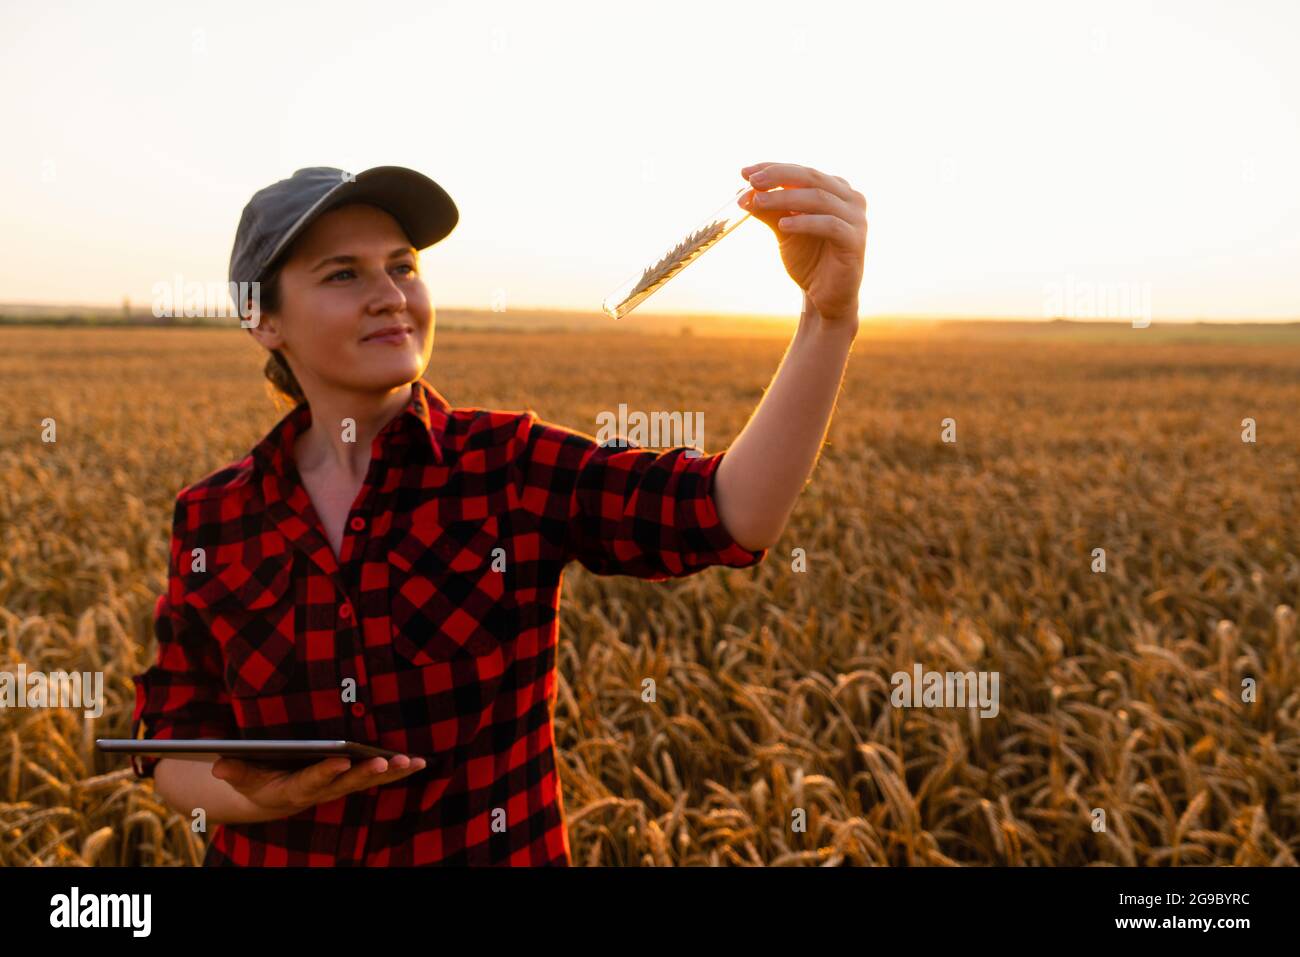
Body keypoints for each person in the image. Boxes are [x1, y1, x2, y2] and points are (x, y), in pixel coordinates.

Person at [130, 162, 867, 865]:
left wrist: (825, 319)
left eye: (403, 265)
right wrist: (271, 798)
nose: (389, 293)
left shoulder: (508, 465)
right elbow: (171, 743)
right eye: (344, 274)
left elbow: (729, 510)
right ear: (264, 321)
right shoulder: (215, 514)